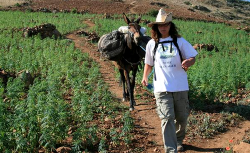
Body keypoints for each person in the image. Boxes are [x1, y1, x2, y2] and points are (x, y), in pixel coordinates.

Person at [141, 8, 198, 152]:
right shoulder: (151, 44)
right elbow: (148, 63)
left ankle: (178, 140)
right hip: (161, 88)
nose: (163, 27)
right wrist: (145, 76)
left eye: (166, 25)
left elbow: (192, 57)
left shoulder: (180, 41)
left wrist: (188, 62)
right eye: (160, 25)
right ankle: (170, 149)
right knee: (166, 118)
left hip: (180, 86)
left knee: (182, 118)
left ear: (170, 26)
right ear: (156, 27)